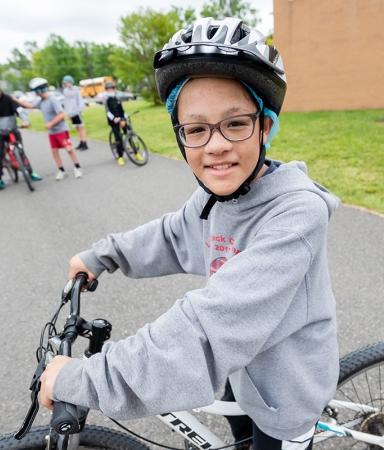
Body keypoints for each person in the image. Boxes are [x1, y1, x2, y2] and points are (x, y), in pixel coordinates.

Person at [39, 17, 340, 450]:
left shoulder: (296, 215)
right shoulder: (214, 199)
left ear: (266, 127)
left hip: (286, 391)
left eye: (235, 123)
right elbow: (173, 234)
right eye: (196, 129)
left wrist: (87, 377)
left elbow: (209, 326)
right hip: (243, 366)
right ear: (182, 139)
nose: (215, 144)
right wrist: (103, 255)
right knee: (239, 437)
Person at [0, 75, 43, 190]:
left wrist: (25, 120)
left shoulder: (8, 99)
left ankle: (30, 172)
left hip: (12, 129)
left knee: (20, 150)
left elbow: (20, 110)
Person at [29, 77, 83, 181]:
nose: (35, 94)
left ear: (40, 90)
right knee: (54, 151)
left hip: (61, 130)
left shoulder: (52, 99)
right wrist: (15, 101)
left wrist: (50, 124)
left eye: (36, 91)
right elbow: (30, 106)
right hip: (52, 132)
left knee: (69, 149)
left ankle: (78, 167)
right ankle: (61, 170)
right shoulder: (41, 101)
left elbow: (61, 115)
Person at [104, 80, 141, 166]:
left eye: (111, 89)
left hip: (121, 119)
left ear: (114, 89)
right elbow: (108, 112)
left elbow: (122, 110)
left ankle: (136, 153)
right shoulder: (106, 101)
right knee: (118, 139)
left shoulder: (118, 99)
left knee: (129, 135)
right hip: (113, 121)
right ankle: (120, 157)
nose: (110, 91)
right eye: (108, 89)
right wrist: (114, 119)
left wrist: (124, 119)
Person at [61, 75, 88, 150]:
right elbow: (66, 103)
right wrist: (68, 113)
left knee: (81, 127)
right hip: (71, 113)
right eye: (66, 82)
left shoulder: (76, 90)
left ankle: (85, 143)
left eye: (68, 82)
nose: (67, 84)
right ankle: (81, 141)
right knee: (76, 127)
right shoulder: (65, 91)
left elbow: (80, 101)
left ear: (71, 82)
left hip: (77, 112)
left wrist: (78, 111)